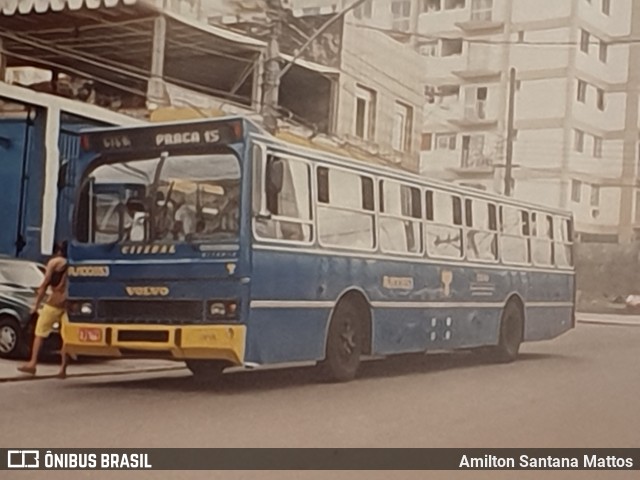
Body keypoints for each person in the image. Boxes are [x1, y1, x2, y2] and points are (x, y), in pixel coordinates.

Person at [18, 241, 69, 379]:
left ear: (58, 250)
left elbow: (45, 284)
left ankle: (33, 363)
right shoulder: (74, 263)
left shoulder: (54, 262)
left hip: (52, 304)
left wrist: (36, 304)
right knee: (67, 338)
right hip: (68, 305)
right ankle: (63, 369)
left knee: (39, 333)